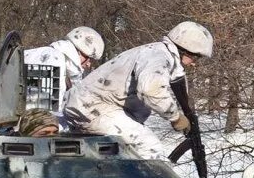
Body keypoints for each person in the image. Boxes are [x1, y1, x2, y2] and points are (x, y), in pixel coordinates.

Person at [62, 21, 211, 159]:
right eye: (195, 58)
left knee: (124, 155)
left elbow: (176, 80)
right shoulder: (159, 56)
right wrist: (176, 118)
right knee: (149, 147)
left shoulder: (156, 52)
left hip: (89, 107)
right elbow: (151, 90)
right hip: (94, 108)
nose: (194, 64)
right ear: (186, 50)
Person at [23, 26, 105, 114]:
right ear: (79, 51)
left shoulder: (57, 60)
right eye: (88, 58)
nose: (88, 64)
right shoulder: (53, 59)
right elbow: (42, 109)